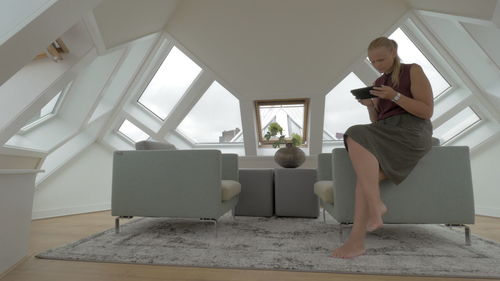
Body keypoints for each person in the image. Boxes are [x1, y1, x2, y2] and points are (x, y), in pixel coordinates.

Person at [331, 37, 434, 258]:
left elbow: (426, 111)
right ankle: (356, 242)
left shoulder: (412, 70)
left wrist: (395, 96)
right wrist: (370, 106)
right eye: (373, 61)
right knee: (365, 176)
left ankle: (375, 207)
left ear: (394, 51)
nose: (378, 65)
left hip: (412, 130)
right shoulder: (378, 82)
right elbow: (378, 122)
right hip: (386, 130)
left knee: (355, 132)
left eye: (381, 59)